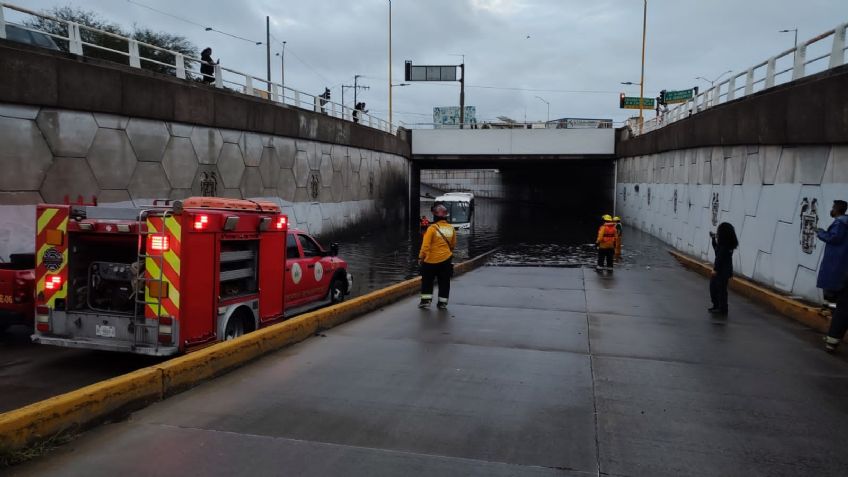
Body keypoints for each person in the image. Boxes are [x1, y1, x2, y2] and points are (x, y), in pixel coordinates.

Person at [817, 200, 848, 352]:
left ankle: (832, 340)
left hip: (839, 269)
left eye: (833, 207)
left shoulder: (840, 223)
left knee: (839, 305)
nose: (831, 210)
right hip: (842, 270)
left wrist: (820, 232)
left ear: (837, 209)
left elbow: (834, 238)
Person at [418, 204, 456, 310]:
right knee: (444, 282)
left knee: (427, 281)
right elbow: (452, 245)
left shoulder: (431, 229)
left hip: (430, 261)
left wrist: (421, 258)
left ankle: (426, 301)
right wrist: (446, 254)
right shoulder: (451, 229)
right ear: (446, 216)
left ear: (434, 215)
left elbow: (425, 246)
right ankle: (442, 303)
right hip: (446, 261)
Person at [708, 222, 739, 315]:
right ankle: (718, 306)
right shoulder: (726, 244)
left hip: (721, 272)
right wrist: (713, 239)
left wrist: (715, 269)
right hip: (724, 271)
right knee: (717, 289)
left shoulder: (725, 246)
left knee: (719, 290)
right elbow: (717, 250)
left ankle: (722, 309)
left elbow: (719, 257)